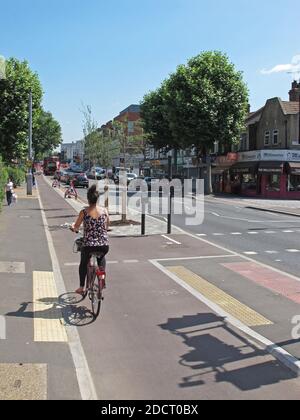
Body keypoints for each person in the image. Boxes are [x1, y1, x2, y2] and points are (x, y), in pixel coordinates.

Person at [71, 185, 109, 295]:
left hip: (88, 245)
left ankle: (82, 287)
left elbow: (76, 227)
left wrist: (73, 228)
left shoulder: (84, 212)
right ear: (97, 199)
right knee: (101, 257)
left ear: (88, 199)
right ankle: (101, 278)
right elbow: (107, 227)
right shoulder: (104, 211)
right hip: (103, 245)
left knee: (83, 263)